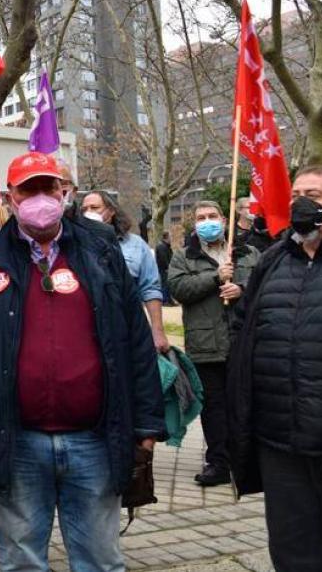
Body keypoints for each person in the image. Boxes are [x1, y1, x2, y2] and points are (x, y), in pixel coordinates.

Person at [0, 152, 165, 572]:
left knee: (100, 559)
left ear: (65, 193)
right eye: (28, 189)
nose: (40, 197)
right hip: (14, 439)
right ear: (9, 198)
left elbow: (136, 340)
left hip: (94, 439)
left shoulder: (102, 252)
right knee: (21, 559)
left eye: (48, 188)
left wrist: (148, 421)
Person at [227, 165, 322, 571]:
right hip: (282, 445)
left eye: (315, 196)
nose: (301, 202)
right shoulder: (273, 260)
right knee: (297, 556)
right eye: (296, 193)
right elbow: (245, 330)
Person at [167, 201, 257, 488]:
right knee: (214, 407)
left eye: (212, 216)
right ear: (194, 224)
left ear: (224, 220)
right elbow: (179, 289)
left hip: (242, 343)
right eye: (201, 217)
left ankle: (244, 459)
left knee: (242, 404)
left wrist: (241, 288)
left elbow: (264, 286)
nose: (207, 221)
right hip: (206, 344)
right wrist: (215, 277)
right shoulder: (184, 257)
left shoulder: (248, 253)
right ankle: (218, 461)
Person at [81, 190, 170, 354]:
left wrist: (158, 332)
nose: (89, 213)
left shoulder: (136, 245)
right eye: (84, 209)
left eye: (95, 207)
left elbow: (150, 289)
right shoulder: (75, 245)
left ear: (111, 211)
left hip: (128, 329)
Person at [155, 232, 175, 306]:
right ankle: (165, 300)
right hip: (164, 269)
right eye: (170, 237)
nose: (171, 238)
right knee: (165, 285)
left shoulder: (166, 246)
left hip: (167, 268)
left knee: (168, 285)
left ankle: (169, 300)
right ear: (166, 237)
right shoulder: (161, 246)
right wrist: (167, 267)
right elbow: (163, 258)